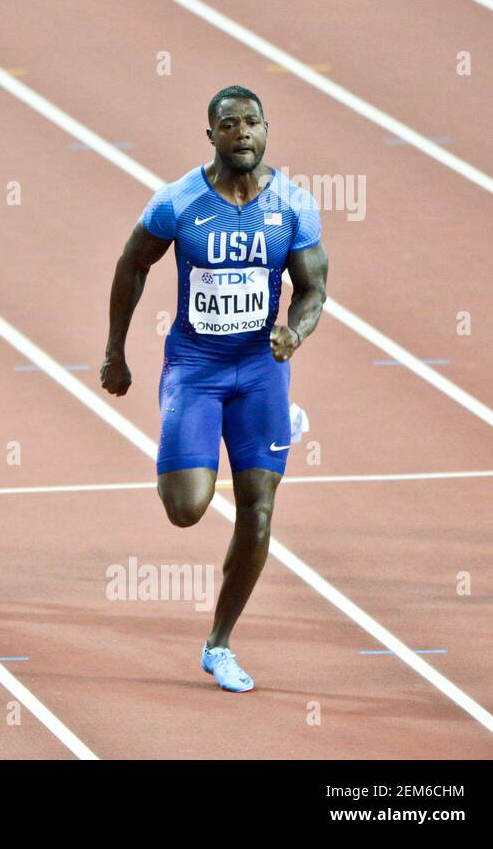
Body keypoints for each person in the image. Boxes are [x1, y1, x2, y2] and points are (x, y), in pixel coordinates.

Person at [101, 85, 328, 690]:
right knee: (185, 510)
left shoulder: (295, 205)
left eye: (253, 122)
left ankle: (218, 644)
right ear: (212, 136)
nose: (243, 134)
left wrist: (295, 333)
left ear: (266, 128)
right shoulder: (177, 202)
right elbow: (132, 264)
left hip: (260, 372)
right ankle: (219, 430)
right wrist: (114, 354)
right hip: (196, 371)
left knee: (257, 511)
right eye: (230, 125)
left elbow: (313, 289)